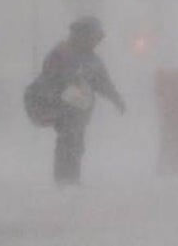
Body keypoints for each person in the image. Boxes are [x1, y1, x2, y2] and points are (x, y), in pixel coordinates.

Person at [25, 16, 125, 186]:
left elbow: (103, 82)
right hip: (61, 107)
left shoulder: (92, 59)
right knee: (68, 140)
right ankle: (64, 179)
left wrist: (116, 99)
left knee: (76, 143)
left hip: (77, 110)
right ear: (83, 35)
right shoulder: (62, 53)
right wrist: (68, 95)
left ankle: (71, 178)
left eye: (98, 38)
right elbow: (52, 80)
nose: (97, 42)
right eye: (94, 37)